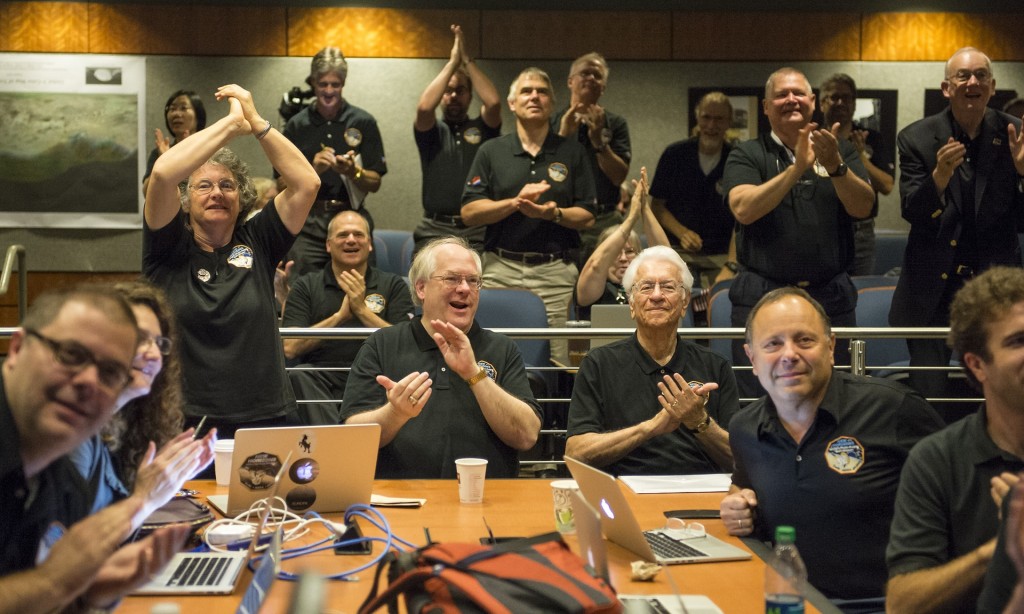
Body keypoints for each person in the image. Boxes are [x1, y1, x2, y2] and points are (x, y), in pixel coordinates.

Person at [720, 287, 941, 608]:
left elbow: (957, 494)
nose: (789, 354)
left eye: (804, 340)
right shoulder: (744, 428)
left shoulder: (895, 409)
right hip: (791, 601)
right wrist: (736, 504)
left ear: (831, 346)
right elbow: (743, 486)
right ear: (751, 359)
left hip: (886, 604)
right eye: (773, 344)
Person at [144, 84, 320, 438]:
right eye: (203, 186)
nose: (217, 193)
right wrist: (229, 125)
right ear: (185, 199)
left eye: (227, 185)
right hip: (184, 419)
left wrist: (255, 122)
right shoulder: (166, 245)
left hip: (264, 416)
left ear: (242, 198)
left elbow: (307, 183)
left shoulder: (259, 239)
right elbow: (163, 175)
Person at [0, 285, 189, 612]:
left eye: (110, 373)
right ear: (17, 348)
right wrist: (53, 583)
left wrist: (87, 596)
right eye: (71, 355)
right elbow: (45, 583)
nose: (89, 381)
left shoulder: (62, 474)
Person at [722, 67, 874, 394]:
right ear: (765, 107)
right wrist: (796, 170)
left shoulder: (839, 149)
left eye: (799, 93)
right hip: (762, 297)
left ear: (812, 101)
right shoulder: (747, 152)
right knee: (758, 399)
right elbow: (743, 209)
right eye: (781, 94)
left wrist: (835, 166)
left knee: (839, 395)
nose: (791, 100)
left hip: (829, 299)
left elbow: (863, 207)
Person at [341, 237, 542, 478]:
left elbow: (527, 436)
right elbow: (352, 436)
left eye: (473, 281)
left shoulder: (502, 348)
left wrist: (474, 375)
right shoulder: (382, 344)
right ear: (421, 288)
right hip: (401, 499)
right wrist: (396, 413)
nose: (465, 288)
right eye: (452, 278)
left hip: (486, 498)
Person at [889, 47, 1024, 402]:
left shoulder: (1016, 134)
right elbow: (913, 212)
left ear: (992, 87)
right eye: (963, 76)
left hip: (994, 287)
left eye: (981, 75)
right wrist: (938, 178)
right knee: (928, 397)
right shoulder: (916, 137)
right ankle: (930, 458)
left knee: (998, 390)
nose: (972, 82)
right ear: (947, 88)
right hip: (932, 289)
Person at [887, 267, 1024, 613]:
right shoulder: (938, 459)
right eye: (1018, 341)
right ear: (977, 365)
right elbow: (902, 604)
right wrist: (1002, 549)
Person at [461, 67, 598, 363]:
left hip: (555, 274)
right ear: (512, 104)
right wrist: (514, 203)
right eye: (526, 91)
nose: (534, 96)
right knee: (492, 359)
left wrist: (554, 213)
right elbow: (470, 212)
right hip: (500, 270)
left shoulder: (572, 152)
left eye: (542, 91)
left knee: (559, 363)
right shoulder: (491, 151)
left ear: (551, 103)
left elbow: (588, 216)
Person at [566, 245, 738, 476]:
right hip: (622, 491)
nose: (657, 296)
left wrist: (699, 421)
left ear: (685, 302)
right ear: (632, 304)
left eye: (668, 287)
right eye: (646, 287)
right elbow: (575, 453)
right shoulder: (598, 364)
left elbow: (739, 460)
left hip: (700, 490)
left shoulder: (715, 366)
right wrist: (650, 428)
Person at [69, 281, 215, 516]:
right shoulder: (74, 433)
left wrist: (168, 481)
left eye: (159, 343)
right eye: (140, 338)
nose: (155, 354)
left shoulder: (120, 421)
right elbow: (65, 547)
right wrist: (144, 500)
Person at [282, 210, 414, 424]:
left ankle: (343, 443)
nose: (351, 240)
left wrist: (361, 311)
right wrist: (340, 317)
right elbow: (290, 347)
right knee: (299, 374)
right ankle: (342, 442)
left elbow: (406, 343)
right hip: (322, 376)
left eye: (358, 235)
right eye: (343, 235)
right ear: (328, 245)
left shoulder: (394, 285)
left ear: (369, 244)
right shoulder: (305, 286)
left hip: (376, 375)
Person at [282, 46, 388, 278]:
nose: (329, 91)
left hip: (350, 219)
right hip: (308, 223)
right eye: (323, 84)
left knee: (360, 290)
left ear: (343, 83)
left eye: (336, 84)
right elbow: (280, 184)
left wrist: (354, 172)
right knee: (303, 292)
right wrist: (311, 171)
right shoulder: (296, 126)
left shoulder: (363, 121)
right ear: (313, 83)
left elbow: (375, 182)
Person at [413, 24, 501, 254]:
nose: (453, 96)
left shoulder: (483, 128)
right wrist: (452, 63)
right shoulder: (432, 131)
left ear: (470, 95)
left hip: (476, 230)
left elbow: (493, 103)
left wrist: (467, 60)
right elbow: (423, 108)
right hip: (434, 228)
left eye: (460, 91)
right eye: (448, 91)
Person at [650, 91, 736, 288]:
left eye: (719, 119)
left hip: (721, 255)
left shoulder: (738, 158)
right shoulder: (674, 154)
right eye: (706, 117)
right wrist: (683, 233)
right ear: (697, 118)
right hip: (679, 252)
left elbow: (744, 215)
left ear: (729, 122)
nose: (711, 126)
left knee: (720, 309)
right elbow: (657, 206)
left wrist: (732, 263)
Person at [552, 52, 631, 258]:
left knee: (609, 283)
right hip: (563, 218)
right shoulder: (551, 122)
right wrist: (564, 136)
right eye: (585, 73)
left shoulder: (616, 124)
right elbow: (546, 172)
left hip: (604, 219)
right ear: (570, 81)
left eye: (597, 76)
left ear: (603, 87)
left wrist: (599, 142)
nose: (591, 78)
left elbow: (618, 176)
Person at [818, 73, 895, 277]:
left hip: (860, 232)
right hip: (821, 227)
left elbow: (887, 186)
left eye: (847, 97)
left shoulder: (872, 138)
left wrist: (860, 156)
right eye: (834, 97)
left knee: (858, 293)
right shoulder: (813, 139)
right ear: (821, 104)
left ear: (853, 103)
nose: (841, 102)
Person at [575, 167, 669, 319]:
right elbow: (596, 265)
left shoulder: (652, 288)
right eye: (616, 253)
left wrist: (644, 207)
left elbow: (668, 258)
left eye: (630, 252)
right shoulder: (594, 287)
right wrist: (632, 218)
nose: (624, 259)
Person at [142, 89, 206, 194]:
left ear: (198, 115)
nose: (176, 114)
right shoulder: (160, 153)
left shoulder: (210, 149)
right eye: (172, 109)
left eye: (183, 108)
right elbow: (147, 193)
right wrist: (165, 162)